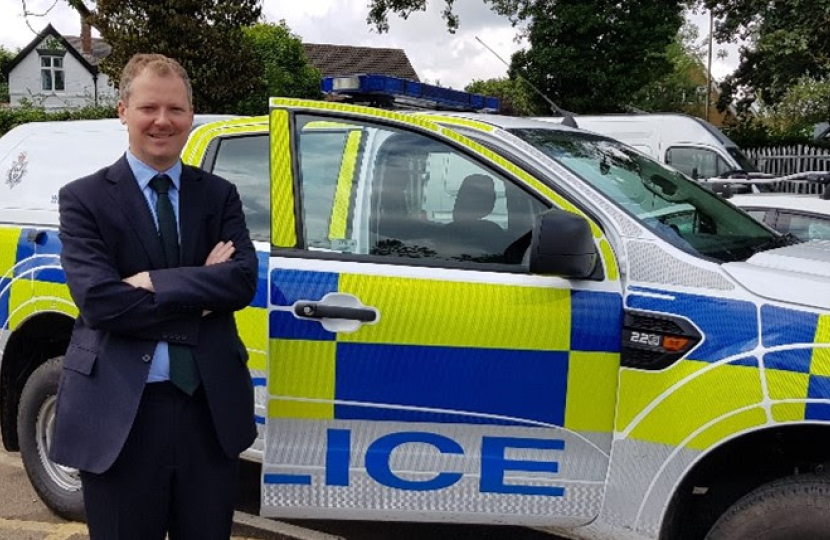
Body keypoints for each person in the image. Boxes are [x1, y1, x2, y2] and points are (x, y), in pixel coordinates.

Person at [50, 53, 258, 539]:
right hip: (120, 416)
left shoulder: (220, 194)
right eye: (148, 108)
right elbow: (101, 303)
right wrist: (200, 287)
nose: (162, 121)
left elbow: (242, 281)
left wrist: (155, 281)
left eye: (176, 109)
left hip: (208, 416)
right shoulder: (83, 199)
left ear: (191, 115)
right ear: (123, 110)